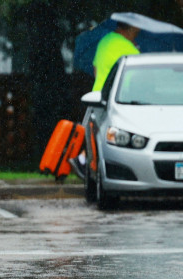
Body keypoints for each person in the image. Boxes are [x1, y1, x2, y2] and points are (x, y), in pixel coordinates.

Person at [69, 22, 141, 178]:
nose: (138, 33)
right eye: (136, 30)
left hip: (97, 94)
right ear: (130, 28)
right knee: (112, 137)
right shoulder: (129, 49)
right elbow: (138, 77)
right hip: (117, 99)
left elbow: (95, 69)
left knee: (94, 133)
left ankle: (83, 160)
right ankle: (91, 164)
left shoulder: (105, 40)